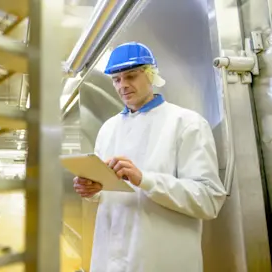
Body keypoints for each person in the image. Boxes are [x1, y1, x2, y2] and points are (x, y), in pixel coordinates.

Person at [73, 42, 227, 272]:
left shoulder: (186, 123)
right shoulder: (108, 128)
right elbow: (109, 192)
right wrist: (92, 190)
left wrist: (145, 179)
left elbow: (208, 200)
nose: (122, 85)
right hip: (109, 260)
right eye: (116, 79)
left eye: (131, 76)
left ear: (151, 75)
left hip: (161, 261)